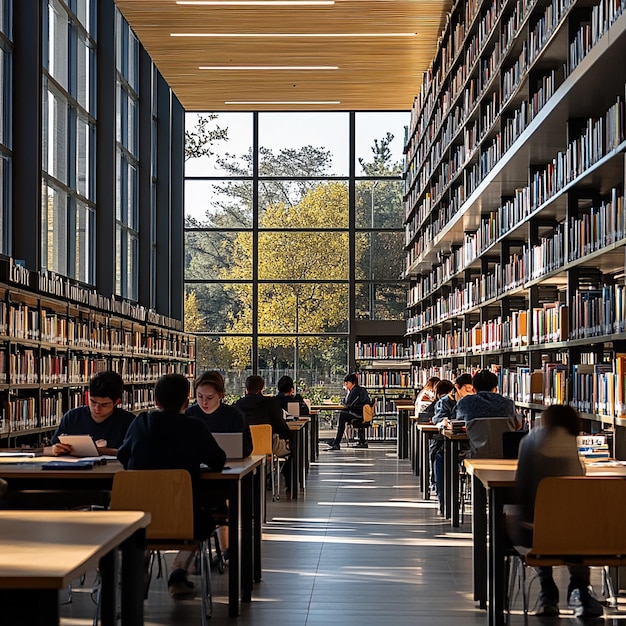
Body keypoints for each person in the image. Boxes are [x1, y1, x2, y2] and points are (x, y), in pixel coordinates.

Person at [117, 373, 226, 599]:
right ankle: (178, 572)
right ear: (187, 401)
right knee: (206, 520)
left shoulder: (140, 422)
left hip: (135, 519)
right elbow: (218, 460)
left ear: (155, 401)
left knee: (146, 527)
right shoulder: (195, 427)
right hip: (183, 519)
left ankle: (139, 569)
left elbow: (122, 456)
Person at [513, 404, 603, 618]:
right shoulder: (572, 447)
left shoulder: (530, 441)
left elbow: (522, 488)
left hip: (536, 535)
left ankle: (547, 591)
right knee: (577, 525)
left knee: (533, 520)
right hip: (581, 537)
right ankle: (580, 589)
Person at [49, 370, 135, 456]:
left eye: (104, 404)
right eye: (93, 401)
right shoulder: (72, 417)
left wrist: (101, 451)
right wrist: (55, 449)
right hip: (75, 468)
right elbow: (51, 447)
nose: (97, 408)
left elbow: (134, 453)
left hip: (115, 468)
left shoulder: (130, 422)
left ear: (117, 402)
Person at [430, 374, 474, 514]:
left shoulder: (475, 402)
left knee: (442, 457)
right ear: (457, 387)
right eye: (467, 389)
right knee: (441, 456)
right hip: (451, 443)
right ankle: (444, 500)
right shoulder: (445, 402)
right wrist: (443, 422)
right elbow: (437, 418)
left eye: (473, 390)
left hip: (471, 445)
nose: (471, 393)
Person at [186, 370, 253, 457]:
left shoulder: (234, 415)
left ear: (221, 396)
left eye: (210, 398)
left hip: (231, 464)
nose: (204, 402)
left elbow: (246, 449)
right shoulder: (189, 414)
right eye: (200, 396)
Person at [234, 375, 290, 458]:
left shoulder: (237, 405)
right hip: (270, 446)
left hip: (246, 447)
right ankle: (286, 470)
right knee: (292, 447)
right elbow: (281, 426)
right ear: (262, 388)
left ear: (246, 388)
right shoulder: (271, 403)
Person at [455, 369, 520, 426]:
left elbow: (459, 423)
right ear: (495, 389)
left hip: (475, 439)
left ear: (474, 389)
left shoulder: (465, 402)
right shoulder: (508, 403)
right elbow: (517, 425)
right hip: (503, 439)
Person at [326, 373, 371, 450]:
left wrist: (342, 403)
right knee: (343, 414)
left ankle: (336, 443)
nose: (345, 385)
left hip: (359, 414)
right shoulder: (359, 390)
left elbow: (348, 405)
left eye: (346, 383)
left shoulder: (355, 391)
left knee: (343, 416)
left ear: (351, 382)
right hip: (362, 413)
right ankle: (361, 441)